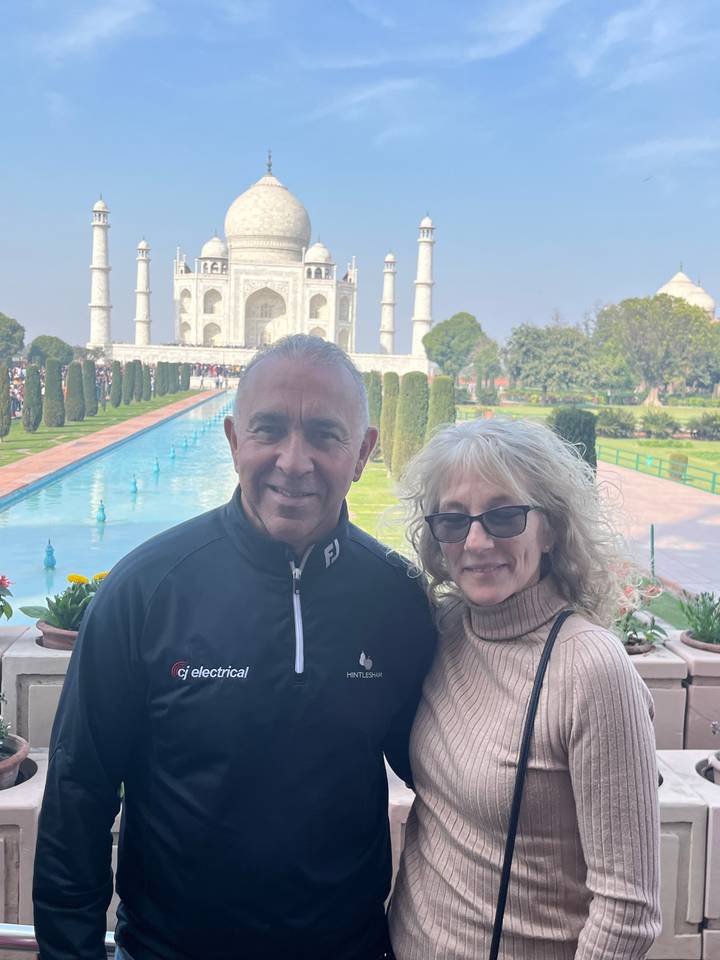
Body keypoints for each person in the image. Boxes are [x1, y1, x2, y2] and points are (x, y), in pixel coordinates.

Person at [33, 335, 436, 960]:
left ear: (363, 452)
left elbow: (443, 771)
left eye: (325, 434)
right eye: (269, 429)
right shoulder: (147, 588)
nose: (293, 460)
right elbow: (78, 791)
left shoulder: (397, 598)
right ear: (232, 440)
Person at [389, 416, 661, 960]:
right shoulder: (443, 632)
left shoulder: (589, 669)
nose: (477, 541)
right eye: (453, 520)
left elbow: (628, 913)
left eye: (505, 515)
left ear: (552, 527)